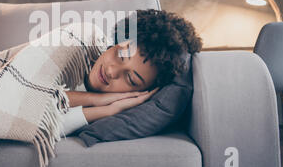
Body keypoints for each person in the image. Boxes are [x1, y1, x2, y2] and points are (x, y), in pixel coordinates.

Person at [60, 9, 203, 136]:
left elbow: (46, 126)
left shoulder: (116, 109)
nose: (111, 71)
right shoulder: (75, 44)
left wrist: (108, 110)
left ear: (143, 92)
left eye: (130, 79)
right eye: (121, 55)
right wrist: (96, 100)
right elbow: (38, 104)